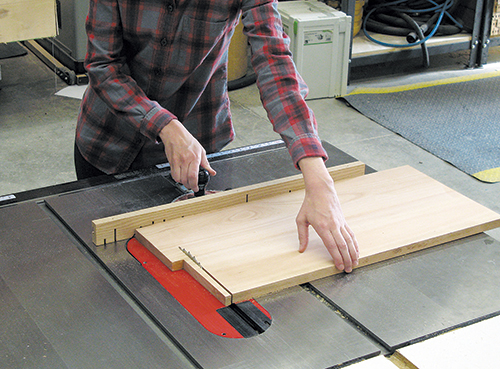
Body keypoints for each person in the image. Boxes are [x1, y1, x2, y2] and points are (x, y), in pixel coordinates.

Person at [75, 0, 359, 272]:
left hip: (200, 148)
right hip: (109, 142)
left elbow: (274, 63)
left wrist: (318, 177)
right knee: (109, 268)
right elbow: (103, 65)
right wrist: (164, 124)